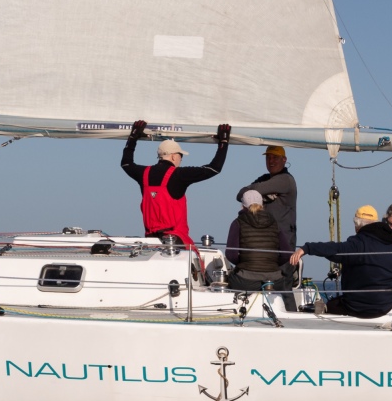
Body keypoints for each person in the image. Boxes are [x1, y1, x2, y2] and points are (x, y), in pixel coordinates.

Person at [121, 120, 229, 249]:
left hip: (151, 241)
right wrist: (223, 142)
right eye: (180, 156)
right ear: (173, 157)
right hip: (175, 241)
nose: (181, 159)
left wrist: (133, 137)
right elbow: (214, 169)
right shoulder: (179, 175)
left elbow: (126, 163)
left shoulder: (143, 173)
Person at [289, 209, 392, 318]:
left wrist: (307, 248)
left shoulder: (358, 244)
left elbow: (334, 249)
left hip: (365, 308)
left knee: (330, 306)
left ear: (357, 225)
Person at [225, 188, 297, 308]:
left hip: (246, 280)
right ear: (262, 205)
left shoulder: (237, 222)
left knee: (230, 278)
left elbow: (231, 255)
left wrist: (245, 262)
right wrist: (273, 263)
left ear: (243, 206)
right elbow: (286, 253)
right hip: (274, 280)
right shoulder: (274, 223)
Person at [236, 145, 297, 240]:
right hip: (264, 237)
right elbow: (240, 194)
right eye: (268, 157)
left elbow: (251, 191)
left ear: (284, 159)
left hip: (282, 239)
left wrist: (253, 194)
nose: (271, 161)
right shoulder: (264, 178)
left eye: (275, 157)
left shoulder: (285, 180)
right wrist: (262, 195)